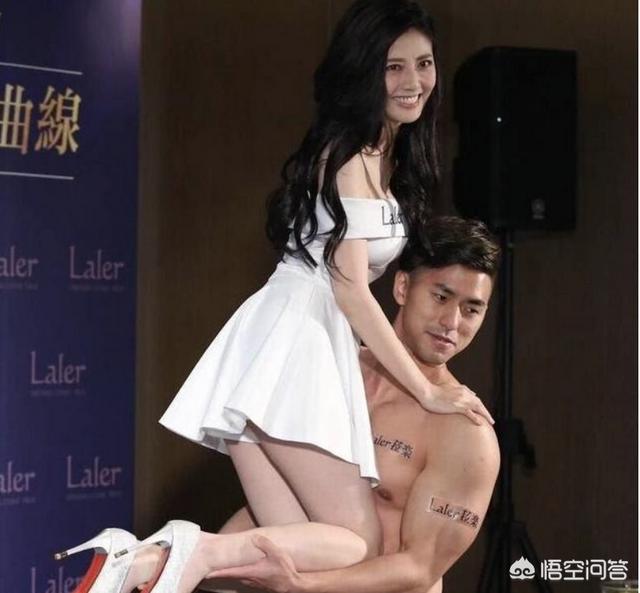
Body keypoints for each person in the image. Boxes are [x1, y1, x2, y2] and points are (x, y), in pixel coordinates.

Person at [55, 2, 493, 592]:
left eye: (424, 63)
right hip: (299, 339)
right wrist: (428, 392)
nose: (413, 81)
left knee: (302, 553)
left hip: (290, 339)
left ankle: (142, 563)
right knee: (355, 540)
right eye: (394, 67)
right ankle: (178, 552)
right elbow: (351, 289)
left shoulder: (382, 154)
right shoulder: (352, 154)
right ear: (364, 70)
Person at [199, 216, 501, 593]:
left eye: (471, 309)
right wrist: (209, 564)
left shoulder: (466, 432)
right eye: (441, 297)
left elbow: (419, 567)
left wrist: (303, 586)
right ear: (403, 287)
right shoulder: (331, 373)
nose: (452, 322)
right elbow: (286, 499)